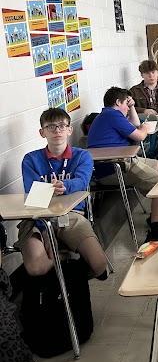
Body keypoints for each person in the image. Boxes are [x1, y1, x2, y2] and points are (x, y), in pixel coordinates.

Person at [17, 108, 107, 279]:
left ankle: (70, 266)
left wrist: (65, 186)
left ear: (69, 130)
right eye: (51, 127)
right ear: (42, 132)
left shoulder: (82, 156)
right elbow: (32, 193)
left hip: (72, 214)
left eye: (62, 126)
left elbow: (82, 181)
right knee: (36, 268)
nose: (57, 130)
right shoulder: (31, 159)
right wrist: (45, 231)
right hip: (38, 216)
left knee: (99, 265)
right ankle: (64, 258)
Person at [87, 87, 158, 242]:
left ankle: (156, 214)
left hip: (123, 162)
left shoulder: (108, 115)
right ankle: (156, 229)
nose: (127, 107)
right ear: (118, 102)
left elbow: (134, 123)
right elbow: (139, 135)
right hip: (116, 167)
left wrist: (131, 107)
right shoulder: (112, 115)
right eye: (126, 103)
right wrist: (144, 128)